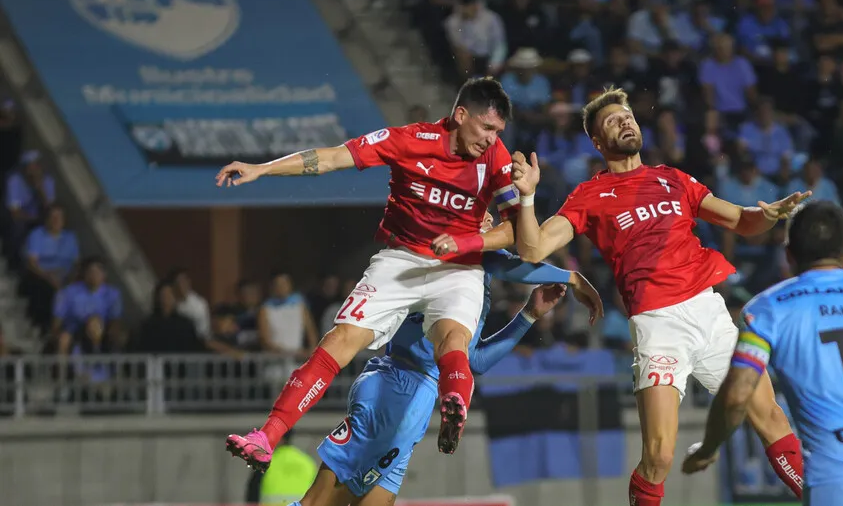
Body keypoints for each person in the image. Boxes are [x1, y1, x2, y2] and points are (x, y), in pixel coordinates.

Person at [218, 79, 586, 469]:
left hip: (459, 268)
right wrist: (263, 169)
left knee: (454, 340)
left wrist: (471, 239)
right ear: (461, 115)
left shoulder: (496, 157)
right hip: (402, 259)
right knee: (340, 339)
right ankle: (267, 436)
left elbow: (516, 235)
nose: (491, 139)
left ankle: (453, 403)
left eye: (498, 131)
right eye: (486, 128)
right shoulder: (409, 140)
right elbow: (331, 158)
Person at [503, 87, 808, 504]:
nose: (625, 122)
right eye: (613, 121)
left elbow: (740, 220)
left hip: (710, 313)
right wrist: (527, 196)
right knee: (659, 455)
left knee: (771, 417)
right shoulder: (589, 196)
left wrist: (768, 215)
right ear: (597, 142)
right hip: (658, 325)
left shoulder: (673, 179)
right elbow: (533, 249)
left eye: (627, 116)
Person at [291, 212, 602, 506]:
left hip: (415, 397)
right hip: (397, 388)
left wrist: (529, 315)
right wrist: (571, 277)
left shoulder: (474, 282)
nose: (490, 220)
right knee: (318, 503)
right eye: (482, 214)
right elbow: (512, 265)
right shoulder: (440, 253)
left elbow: (474, 361)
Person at [683, 201, 843, 505]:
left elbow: (737, 395)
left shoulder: (768, 309)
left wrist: (708, 449)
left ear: (788, 255)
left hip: (837, 480)